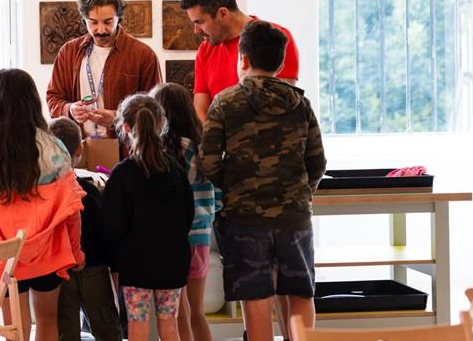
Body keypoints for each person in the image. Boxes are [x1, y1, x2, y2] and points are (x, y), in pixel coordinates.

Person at [200, 21, 326, 341]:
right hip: (294, 216)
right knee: (300, 292)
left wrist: (233, 188)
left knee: (256, 298)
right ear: (280, 64)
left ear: (242, 59)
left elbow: (209, 161)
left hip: (245, 219)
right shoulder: (301, 104)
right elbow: (317, 162)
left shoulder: (225, 103)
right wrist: (301, 193)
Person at [0, 69, 86, 341]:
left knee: (14, 327)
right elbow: (71, 208)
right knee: (47, 319)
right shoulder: (54, 148)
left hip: (1, 250)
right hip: (48, 250)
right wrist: (76, 250)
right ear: (33, 101)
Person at [103, 94, 194, 341]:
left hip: (135, 262)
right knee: (169, 325)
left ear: (125, 127)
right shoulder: (175, 169)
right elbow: (188, 214)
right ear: (161, 125)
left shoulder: (123, 173)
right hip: (173, 259)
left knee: (138, 325)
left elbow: (113, 225)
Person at [48, 0, 163, 138]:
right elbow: (53, 99)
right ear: (84, 19)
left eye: (108, 22)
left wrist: (119, 118)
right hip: (78, 145)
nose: (101, 30)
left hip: (126, 147)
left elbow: (156, 109)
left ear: (118, 18)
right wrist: (70, 109)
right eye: (93, 22)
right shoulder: (68, 52)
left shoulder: (143, 55)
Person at [179, 0, 299, 123]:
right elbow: (200, 110)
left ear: (223, 13)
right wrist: (216, 136)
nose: (196, 30)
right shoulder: (204, 50)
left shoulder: (277, 38)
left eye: (200, 22)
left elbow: (282, 103)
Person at [151, 83, 218, 341]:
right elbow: (218, 194)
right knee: (198, 312)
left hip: (174, 239)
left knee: (179, 313)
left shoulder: (163, 150)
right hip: (201, 237)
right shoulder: (202, 147)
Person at [49, 117, 123, 341]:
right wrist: (115, 267)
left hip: (59, 270)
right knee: (107, 329)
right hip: (94, 269)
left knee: (66, 331)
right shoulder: (89, 192)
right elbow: (107, 233)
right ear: (79, 151)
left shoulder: (45, 195)